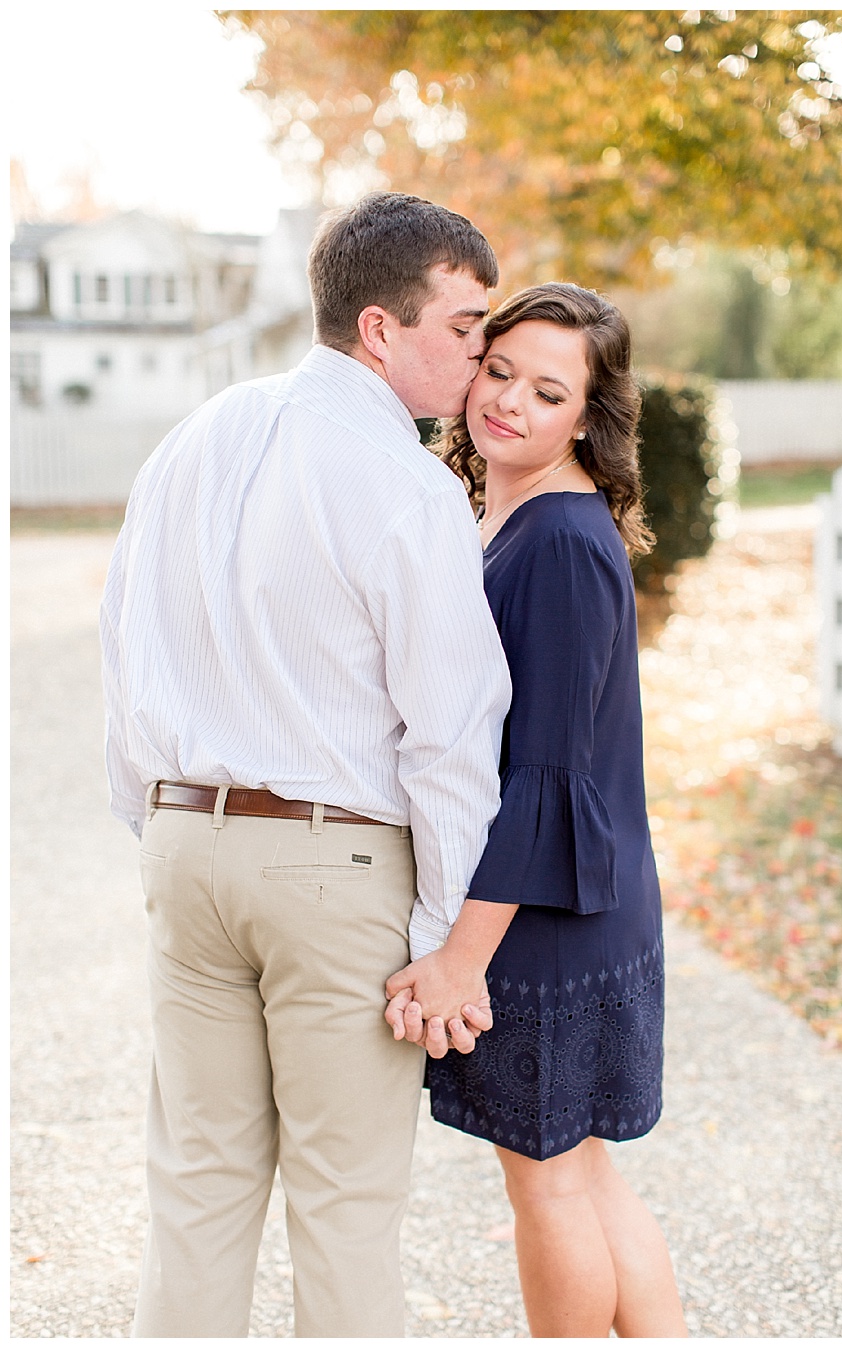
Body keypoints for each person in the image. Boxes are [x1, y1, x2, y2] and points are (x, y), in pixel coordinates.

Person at [101, 192, 512, 1336]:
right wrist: (442, 936)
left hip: (186, 844)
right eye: (463, 327)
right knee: (345, 1204)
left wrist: (162, 824)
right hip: (334, 870)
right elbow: (451, 733)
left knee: (197, 1186)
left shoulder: (194, 438)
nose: (479, 356)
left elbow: (121, 647)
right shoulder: (408, 484)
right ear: (381, 329)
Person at [382, 283, 686, 1337]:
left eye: (548, 392)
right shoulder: (510, 513)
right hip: (573, 895)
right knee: (582, 1171)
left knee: (550, 1183)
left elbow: (547, 778)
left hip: (544, 914)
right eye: (500, 370)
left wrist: (460, 959)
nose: (509, 401)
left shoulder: (557, 539)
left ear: (587, 419)